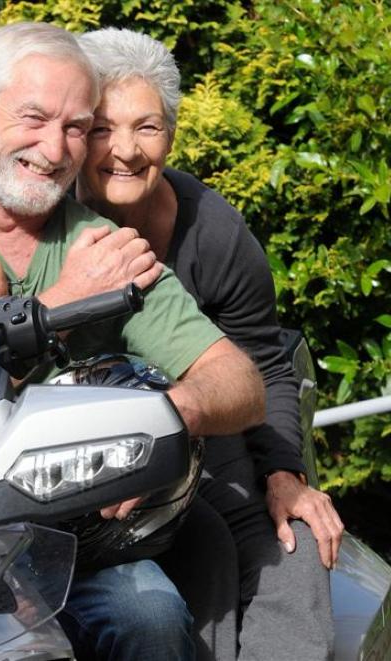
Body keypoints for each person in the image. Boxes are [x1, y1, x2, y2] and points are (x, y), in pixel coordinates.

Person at [0, 22, 265, 661]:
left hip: (60, 536)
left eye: (75, 126)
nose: (54, 147)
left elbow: (240, 381)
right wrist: (60, 304)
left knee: (148, 613)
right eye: (34, 117)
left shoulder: (106, 250)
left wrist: (164, 417)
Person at [73, 27, 345, 661]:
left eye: (148, 127)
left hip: (202, 431)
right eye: (103, 129)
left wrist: (285, 474)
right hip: (88, 455)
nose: (126, 151)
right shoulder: (47, 220)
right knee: (192, 564)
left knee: (296, 548)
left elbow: (268, 364)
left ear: (171, 133)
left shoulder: (215, 230)